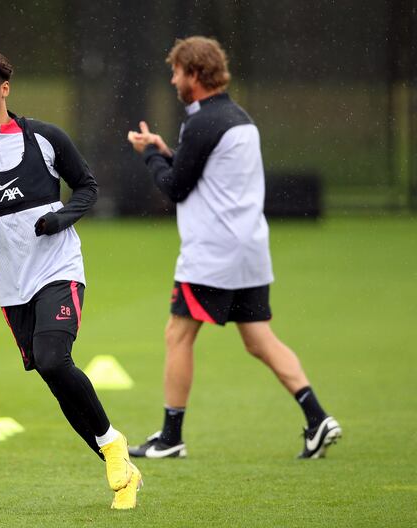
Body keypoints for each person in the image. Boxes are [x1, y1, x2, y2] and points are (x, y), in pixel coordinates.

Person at [0, 49, 141, 509]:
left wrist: (59, 220)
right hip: (12, 286)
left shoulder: (46, 138)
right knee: (54, 379)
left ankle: (111, 446)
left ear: (4, 88)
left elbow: (87, 186)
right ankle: (123, 468)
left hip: (58, 269)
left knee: (53, 358)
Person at [126, 36, 341, 460]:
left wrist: (150, 156)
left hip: (213, 253)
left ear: (194, 74)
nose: (172, 80)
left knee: (178, 333)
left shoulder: (203, 121)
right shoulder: (238, 117)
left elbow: (175, 186)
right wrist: (165, 150)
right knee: (259, 339)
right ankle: (317, 418)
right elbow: (202, 170)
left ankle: (170, 438)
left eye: (176, 72)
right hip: (249, 249)